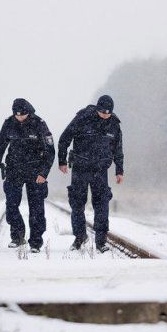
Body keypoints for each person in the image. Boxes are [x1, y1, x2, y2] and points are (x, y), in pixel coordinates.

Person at [57, 94, 124, 253]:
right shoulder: (82, 118)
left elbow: (118, 149)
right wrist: (62, 161)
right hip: (80, 168)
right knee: (77, 203)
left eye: (108, 114)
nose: (105, 116)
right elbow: (65, 138)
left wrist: (119, 170)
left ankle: (101, 241)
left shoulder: (114, 124)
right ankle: (80, 237)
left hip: (100, 170)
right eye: (102, 113)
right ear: (97, 109)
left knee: (102, 205)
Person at [0, 98, 55, 252]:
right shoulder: (8, 123)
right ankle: (18, 236)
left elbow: (50, 151)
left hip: (35, 172)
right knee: (11, 206)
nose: (20, 118)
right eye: (17, 115)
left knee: (37, 209)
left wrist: (44, 173)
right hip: (13, 170)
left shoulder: (39, 124)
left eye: (22, 115)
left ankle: (35, 243)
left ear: (28, 112)